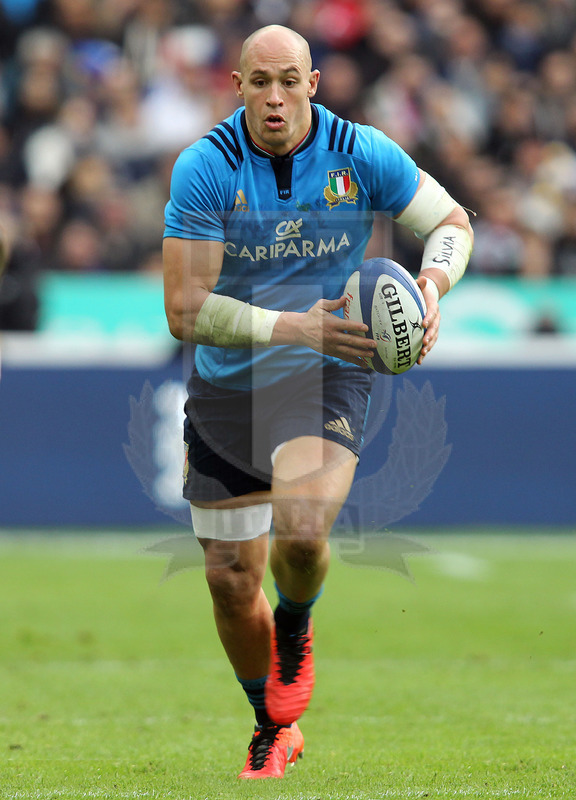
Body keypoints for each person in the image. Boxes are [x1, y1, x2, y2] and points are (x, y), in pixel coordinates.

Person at [163, 24, 473, 780]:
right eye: (260, 81)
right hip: (230, 382)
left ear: (315, 82)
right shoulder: (206, 168)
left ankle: (295, 625)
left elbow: (452, 224)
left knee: (301, 531)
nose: (275, 97)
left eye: (289, 80)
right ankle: (273, 727)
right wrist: (292, 325)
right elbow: (183, 309)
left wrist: (428, 286)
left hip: (329, 366)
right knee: (231, 579)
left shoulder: (360, 152)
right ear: (235, 86)